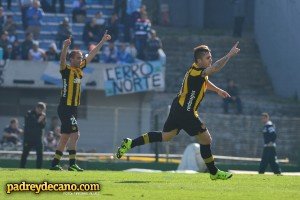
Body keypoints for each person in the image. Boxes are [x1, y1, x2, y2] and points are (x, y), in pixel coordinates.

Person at [116, 42, 240, 180]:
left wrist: (217, 90)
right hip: (186, 111)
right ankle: (214, 172)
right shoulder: (197, 71)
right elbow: (215, 68)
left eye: (210, 57)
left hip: (178, 107)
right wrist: (229, 55)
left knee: (166, 136)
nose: (210, 60)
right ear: (199, 60)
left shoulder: (197, 70)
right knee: (206, 139)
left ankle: (130, 143)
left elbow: (204, 80)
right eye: (208, 58)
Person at [50, 31, 111, 171]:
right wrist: (65, 47)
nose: (80, 59)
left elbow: (92, 54)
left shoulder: (80, 69)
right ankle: (72, 164)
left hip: (73, 108)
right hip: (65, 107)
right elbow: (62, 60)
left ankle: (55, 164)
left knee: (65, 137)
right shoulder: (66, 70)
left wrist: (102, 41)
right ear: (72, 59)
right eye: (78, 58)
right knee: (75, 134)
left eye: (81, 58)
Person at [20, 102, 46, 169]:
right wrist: (38, 120)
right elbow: (29, 124)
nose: (41, 111)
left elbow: (43, 126)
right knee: (25, 153)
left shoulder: (42, 115)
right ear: (37, 108)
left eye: (42, 110)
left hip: (38, 138)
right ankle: (22, 167)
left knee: (40, 154)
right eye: (40, 109)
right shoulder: (29, 113)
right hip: (28, 137)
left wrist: (41, 120)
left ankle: (38, 169)